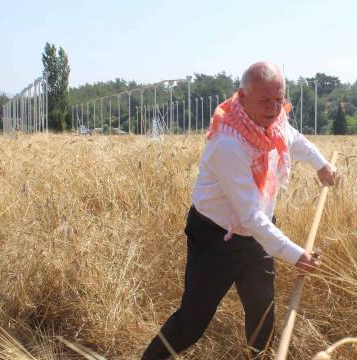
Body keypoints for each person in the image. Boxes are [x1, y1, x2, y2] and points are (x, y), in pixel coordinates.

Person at [141, 61, 337, 359]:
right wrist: (298, 256)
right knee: (192, 321)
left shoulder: (274, 122)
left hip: (257, 237)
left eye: (279, 99)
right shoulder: (228, 145)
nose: (274, 108)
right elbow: (250, 216)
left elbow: (292, 139)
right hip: (215, 239)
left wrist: (321, 163)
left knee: (262, 317)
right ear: (242, 97)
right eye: (265, 100)